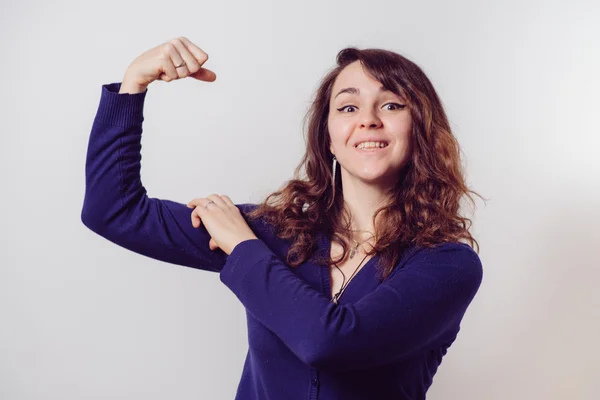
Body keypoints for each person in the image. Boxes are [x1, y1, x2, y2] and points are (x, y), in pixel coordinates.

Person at [81, 37, 484, 400]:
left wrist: (243, 249)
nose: (368, 119)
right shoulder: (275, 232)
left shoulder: (447, 264)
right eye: (347, 106)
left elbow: (331, 342)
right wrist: (132, 85)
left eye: (392, 104)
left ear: (421, 130)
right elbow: (114, 211)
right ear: (328, 136)